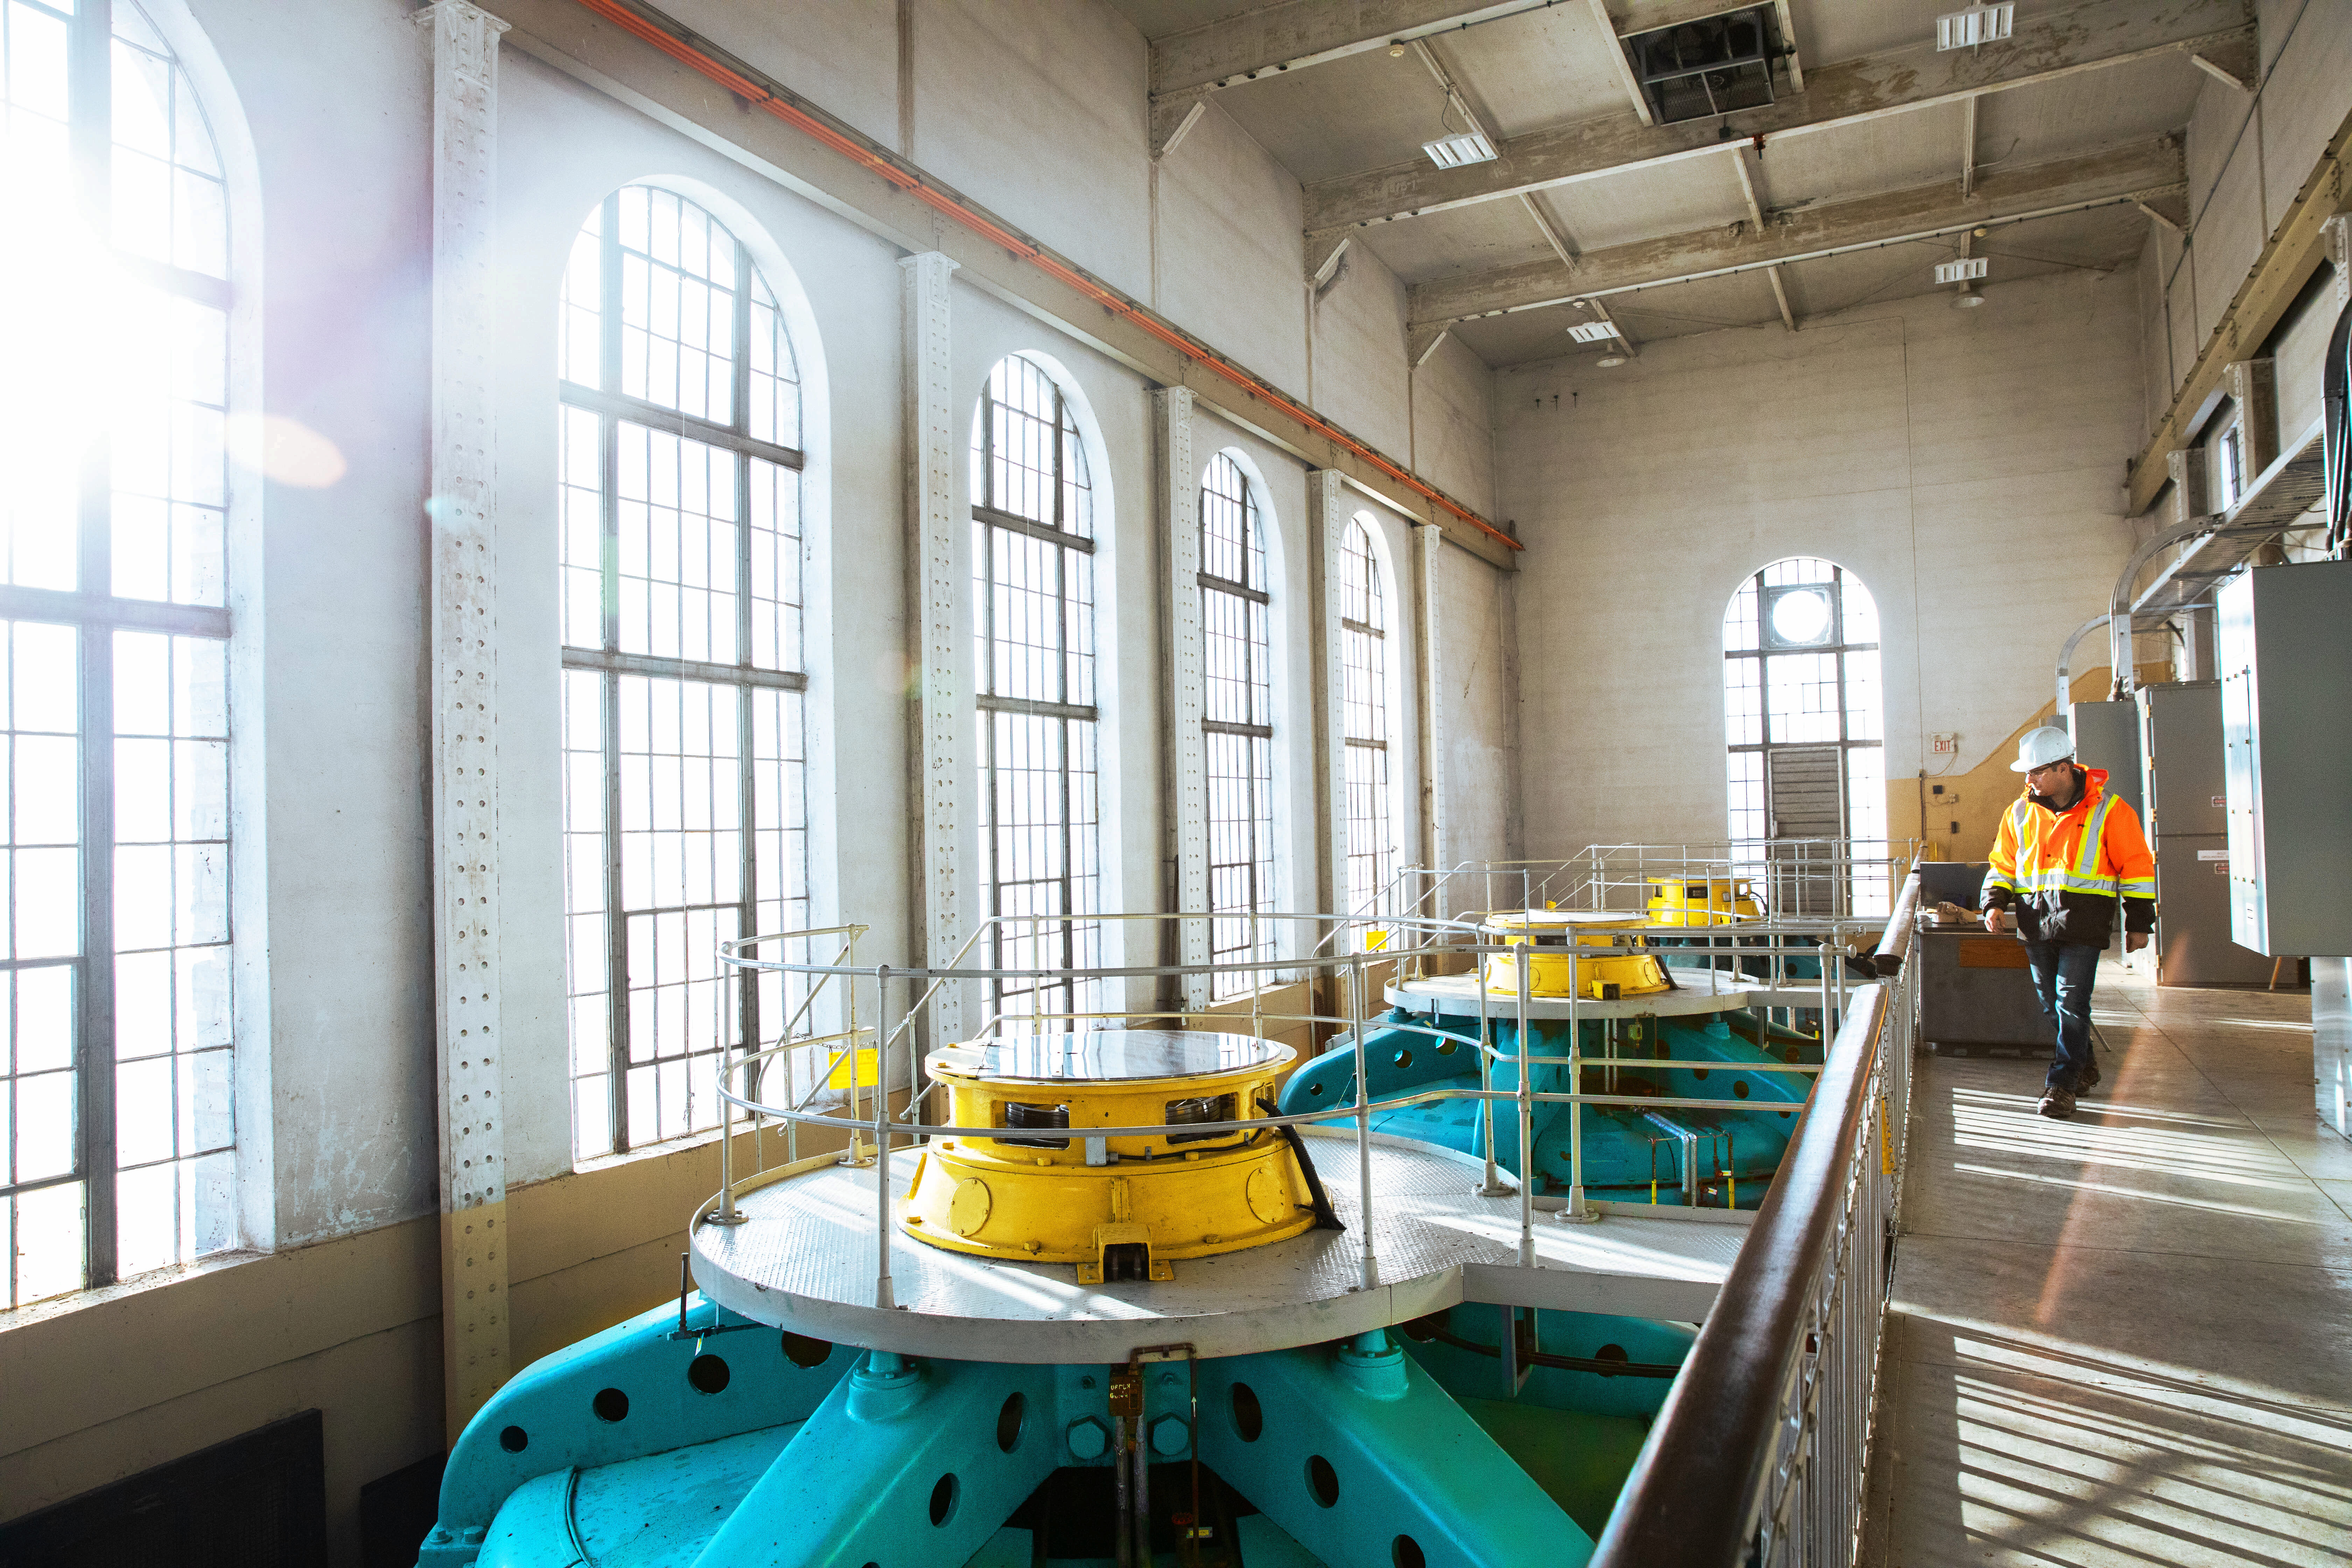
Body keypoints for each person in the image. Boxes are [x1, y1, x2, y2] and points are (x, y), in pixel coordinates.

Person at [1980, 726, 2155, 1120]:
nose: (2029, 780)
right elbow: (2003, 864)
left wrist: (2139, 923)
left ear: (2064, 768)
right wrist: (1993, 904)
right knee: (2052, 1006)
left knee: (2072, 1003)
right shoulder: (2020, 811)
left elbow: (2138, 868)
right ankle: (2085, 1066)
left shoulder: (2110, 810)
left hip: (2084, 924)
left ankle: (2061, 1086)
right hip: (2036, 922)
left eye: (2037, 771)